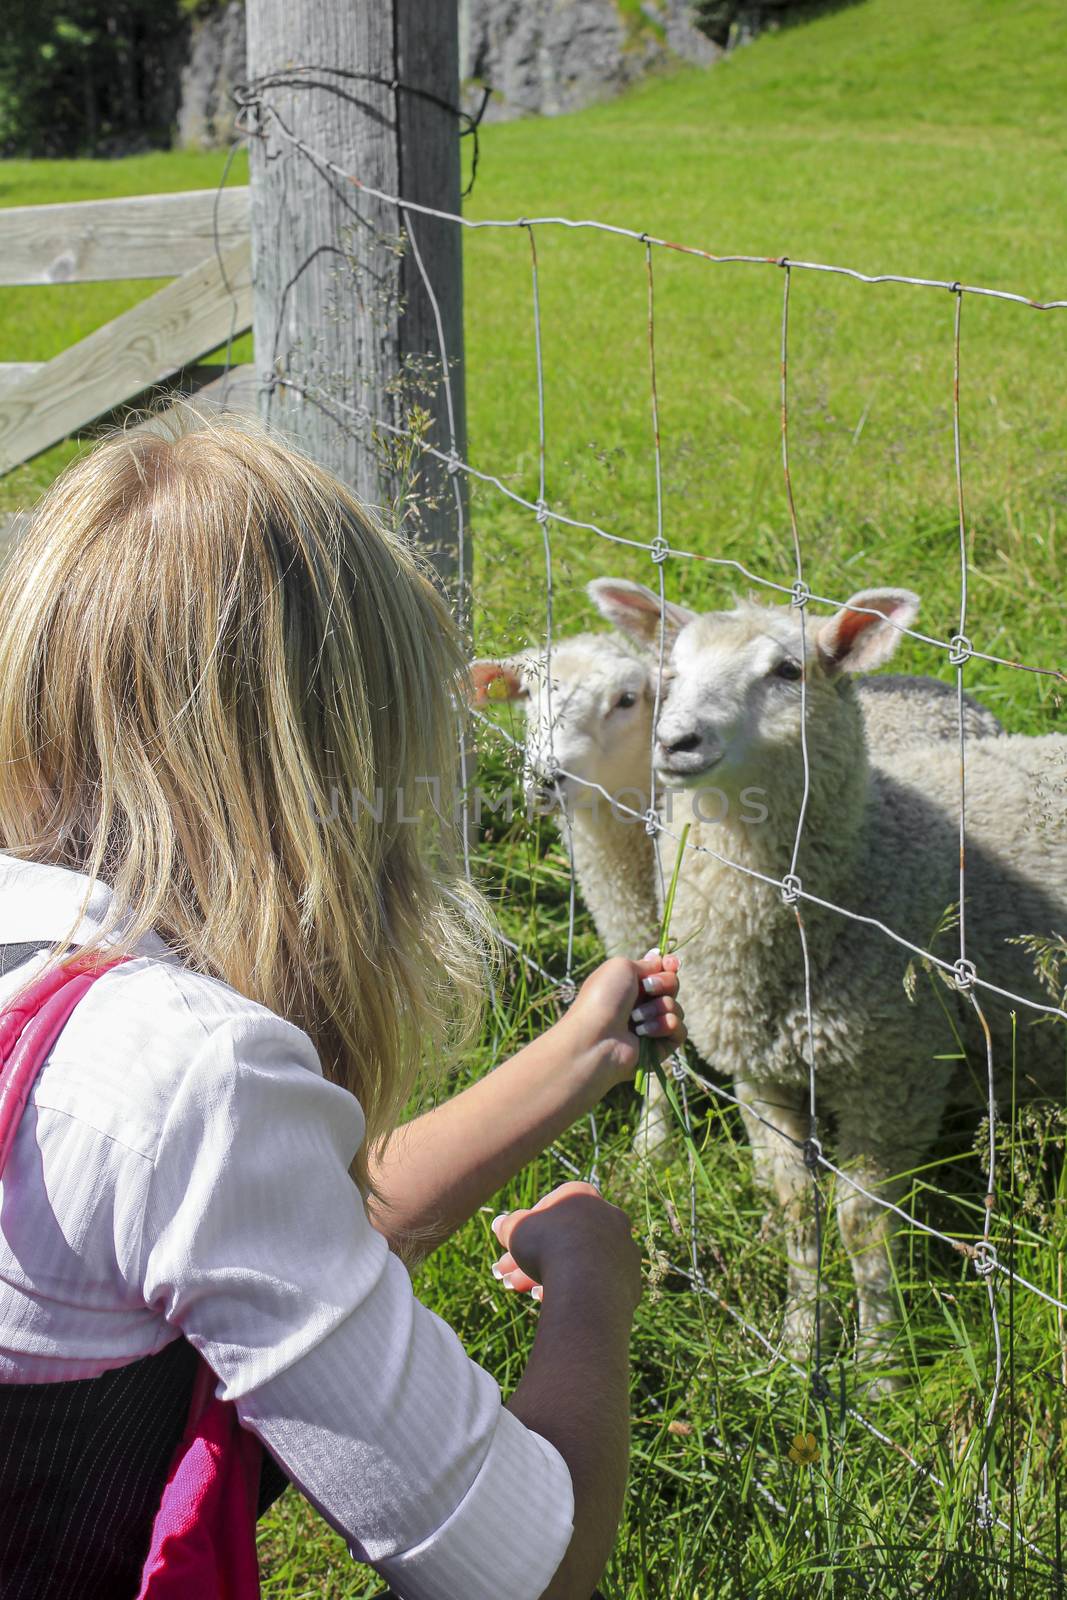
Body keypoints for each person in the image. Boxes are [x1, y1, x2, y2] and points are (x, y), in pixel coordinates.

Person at [0, 417, 685, 1600]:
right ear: (330, 754)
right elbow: (528, 1568)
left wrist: (584, 1050)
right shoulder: (185, 1069)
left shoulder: (79, 1015)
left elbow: (254, 1225)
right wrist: (592, 1287)